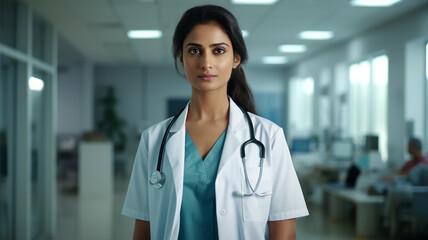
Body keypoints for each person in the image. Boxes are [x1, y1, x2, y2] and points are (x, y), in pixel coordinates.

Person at [122, 5, 308, 240]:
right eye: (194, 51)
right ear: (181, 57)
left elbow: (284, 233)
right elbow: (143, 230)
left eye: (218, 50)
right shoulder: (153, 139)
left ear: (236, 58)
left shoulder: (268, 137)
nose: (206, 62)